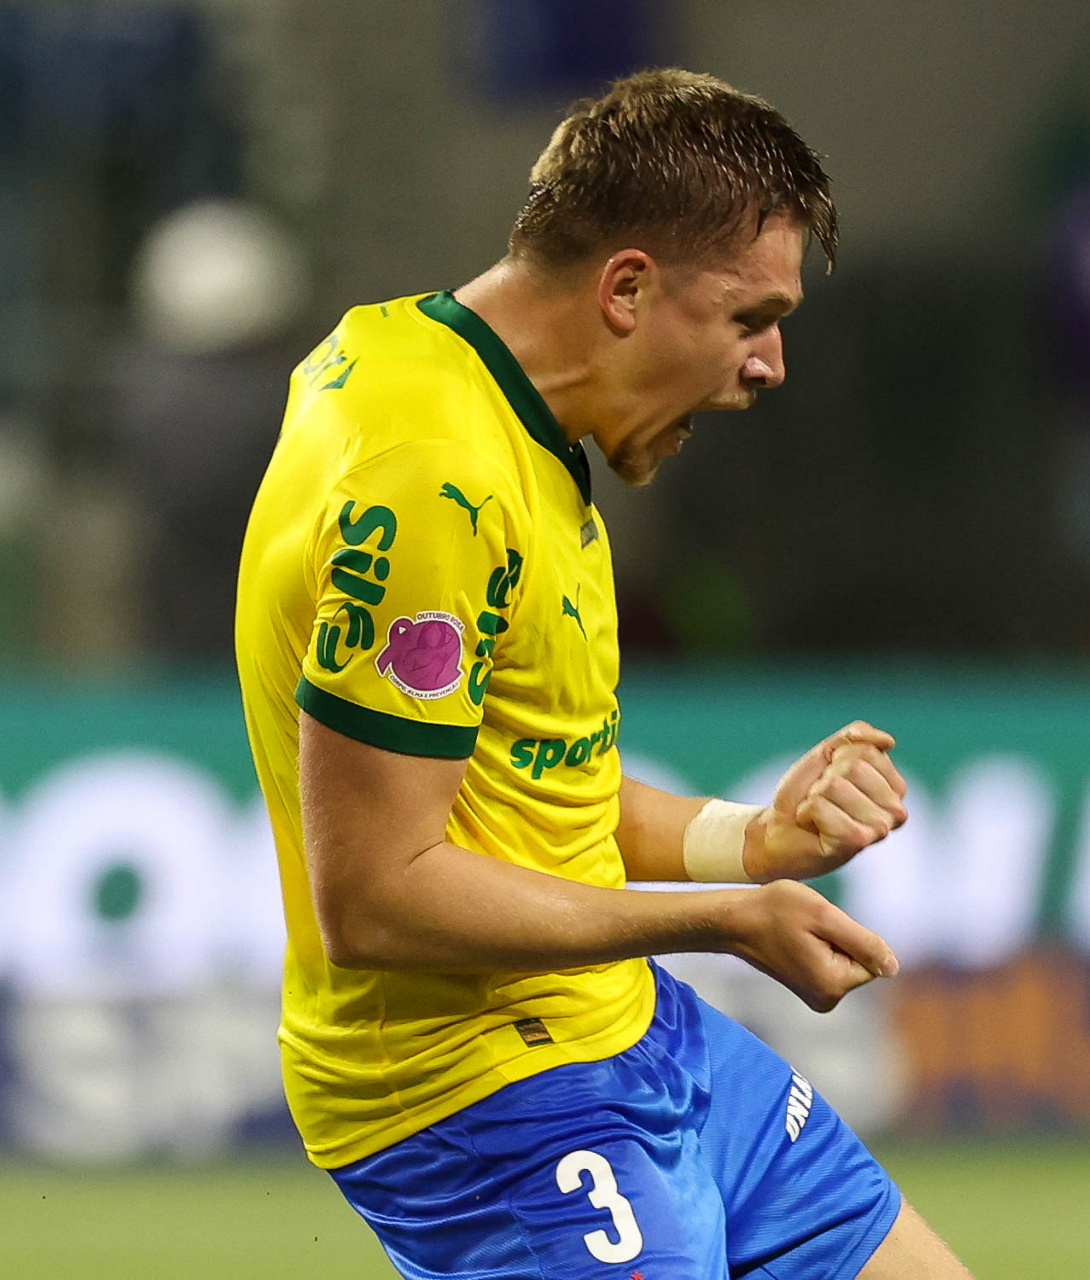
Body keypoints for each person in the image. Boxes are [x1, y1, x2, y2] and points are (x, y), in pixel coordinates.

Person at [236, 68, 973, 1279]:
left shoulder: (428, 367)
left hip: (625, 1025)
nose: (771, 364)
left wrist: (752, 844)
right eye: (749, 317)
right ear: (626, 288)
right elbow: (373, 896)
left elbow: (527, 790)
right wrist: (721, 921)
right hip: (485, 1099)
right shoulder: (431, 481)